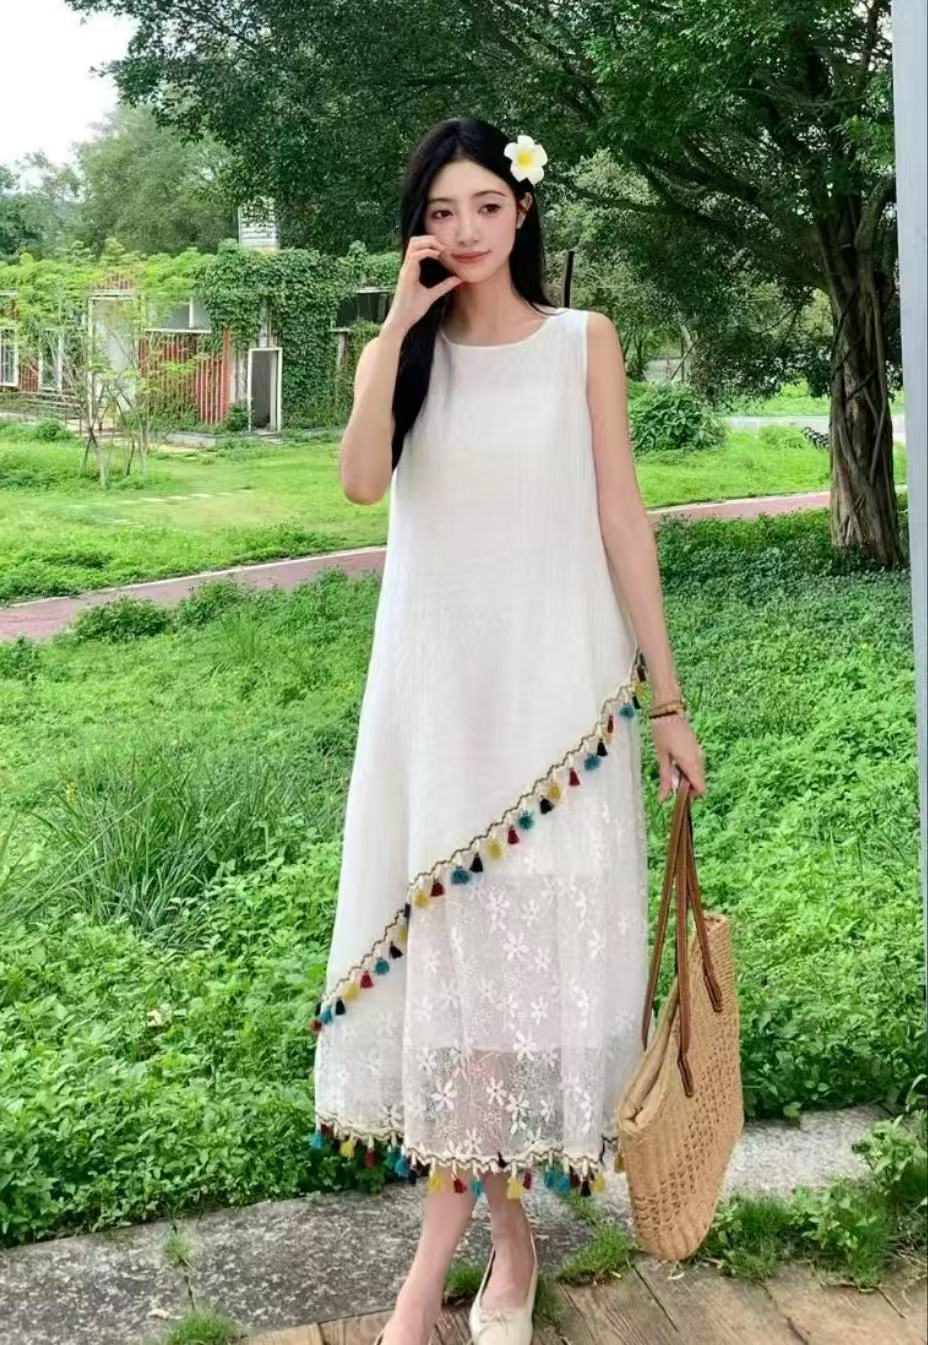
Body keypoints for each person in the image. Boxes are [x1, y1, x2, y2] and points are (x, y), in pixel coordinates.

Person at [306, 116, 706, 1345]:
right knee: (463, 1005)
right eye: (441, 212)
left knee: (506, 1005)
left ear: (522, 211)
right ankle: (501, 1248)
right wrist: (394, 328)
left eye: (485, 205)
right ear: (416, 231)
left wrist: (668, 699)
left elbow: (621, 517)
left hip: (555, 717)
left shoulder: (583, 342)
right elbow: (359, 482)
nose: (465, 230)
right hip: (436, 717)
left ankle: (422, 1290)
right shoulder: (408, 355)